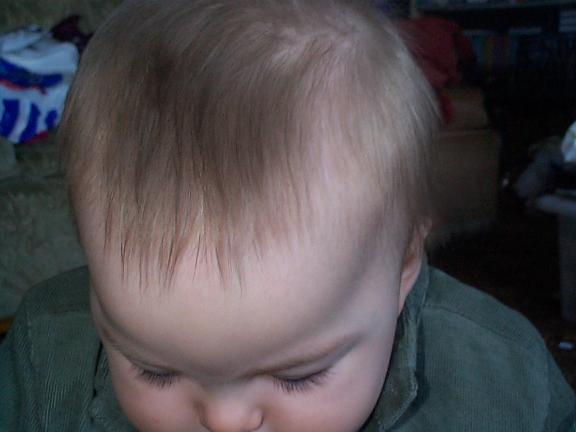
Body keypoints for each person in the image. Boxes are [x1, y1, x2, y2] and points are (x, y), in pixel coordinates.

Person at [1, 0, 574, 430]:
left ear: (403, 264)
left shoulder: (503, 384)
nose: (225, 422)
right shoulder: (44, 355)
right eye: (155, 369)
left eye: (298, 376)